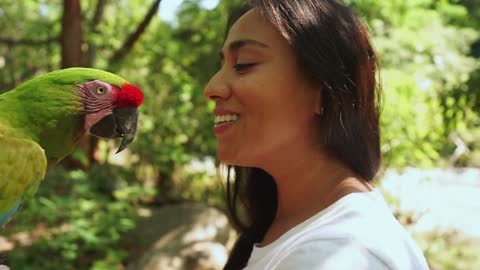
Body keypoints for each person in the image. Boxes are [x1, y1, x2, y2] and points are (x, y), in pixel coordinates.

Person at [203, 0, 429, 269]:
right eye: (223, 65)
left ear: (325, 89)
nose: (212, 87)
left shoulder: (339, 252)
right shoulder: (288, 228)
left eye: (244, 63)